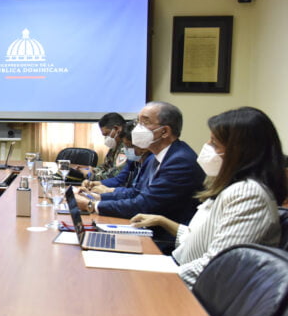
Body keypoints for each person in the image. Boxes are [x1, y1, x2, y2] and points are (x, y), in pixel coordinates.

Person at [131, 107, 286, 288]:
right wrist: (162, 221)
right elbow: (201, 239)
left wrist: (158, 279)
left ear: (240, 151)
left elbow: (218, 265)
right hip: (181, 270)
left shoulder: (249, 194)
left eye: (214, 143)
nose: (207, 147)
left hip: (196, 289)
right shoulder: (234, 186)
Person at [75, 102, 206, 242]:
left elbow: (143, 205)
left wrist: (91, 205)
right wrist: (96, 197)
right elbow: (135, 192)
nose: (137, 128)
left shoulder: (180, 161)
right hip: (144, 230)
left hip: (163, 241)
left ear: (165, 131)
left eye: (145, 122)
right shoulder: (154, 157)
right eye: (138, 122)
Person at [84, 120, 150, 193]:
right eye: (126, 146)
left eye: (128, 146)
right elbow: (119, 179)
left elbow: (138, 193)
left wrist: (108, 191)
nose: (126, 149)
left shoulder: (151, 162)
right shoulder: (132, 160)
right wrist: (97, 183)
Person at [78, 112, 126, 180]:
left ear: (117, 129)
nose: (106, 138)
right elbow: (106, 166)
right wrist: (92, 170)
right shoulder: (115, 147)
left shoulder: (126, 148)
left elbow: (114, 176)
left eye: (107, 134)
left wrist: (90, 175)